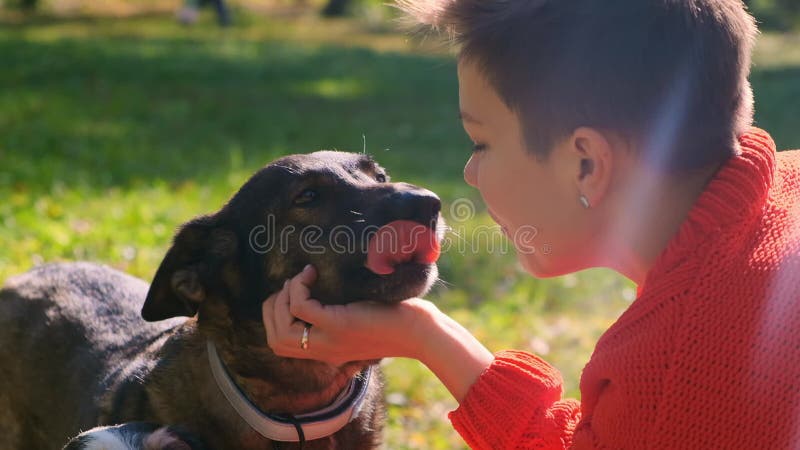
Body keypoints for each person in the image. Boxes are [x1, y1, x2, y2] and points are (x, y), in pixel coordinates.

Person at [262, 0, 800, 447]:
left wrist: (425, 338)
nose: (469, 173)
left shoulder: (679, 370)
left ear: (586, 163)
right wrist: (422, 331)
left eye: (482, 143)